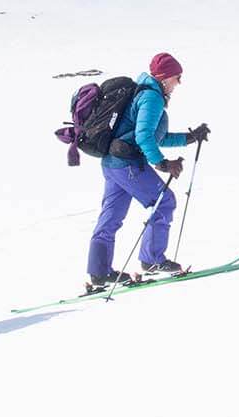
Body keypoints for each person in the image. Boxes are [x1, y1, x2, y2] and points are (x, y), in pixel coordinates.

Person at [87, 52, 210, 290]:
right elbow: (144, 137)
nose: (179, 83)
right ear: (164, 78)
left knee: (110, 218)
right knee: (164, 202)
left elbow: (154, 137)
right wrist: (163, 164)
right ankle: (152, 260)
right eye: (177, 77)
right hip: (128, 164)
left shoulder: (143, 93)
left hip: (113, 164)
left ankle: (99, 272)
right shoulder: (152, 98)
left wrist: (190, 137)